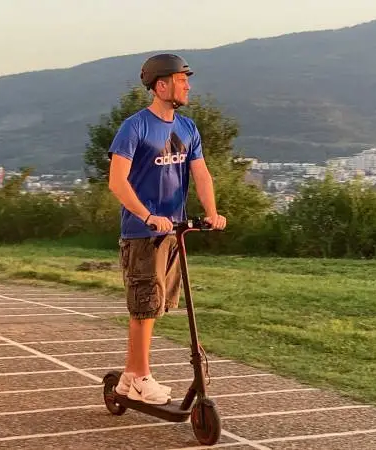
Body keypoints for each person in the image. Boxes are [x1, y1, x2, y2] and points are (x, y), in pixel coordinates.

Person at [107, 53, 226, 405]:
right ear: (161, 85)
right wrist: (147, 215)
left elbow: (201, 174)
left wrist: (212, 212)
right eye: (181, 78)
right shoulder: (135, 127)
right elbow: (117, 181)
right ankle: (142, 377)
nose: (188, 84)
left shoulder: (187, 128)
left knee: (154, 307)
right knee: (144, 306)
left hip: (173, 231)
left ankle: (130, 376)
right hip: (144, 233)